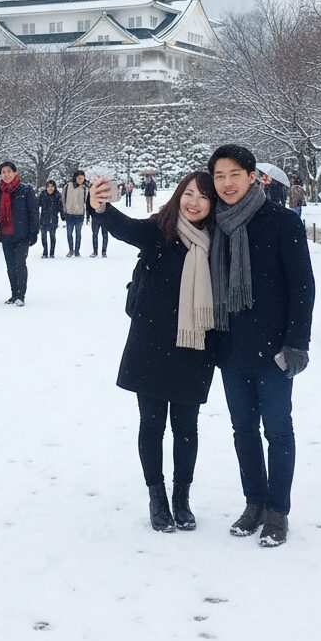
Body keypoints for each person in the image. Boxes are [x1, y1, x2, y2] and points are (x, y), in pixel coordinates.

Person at [90, 171, 219, 533]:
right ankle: (157, 496)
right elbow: (125, 228)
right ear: (179, 195)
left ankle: (182, 498)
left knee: (187, 428)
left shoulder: (218, 241)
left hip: (194, 346)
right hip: (151, 344)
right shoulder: (161, 230)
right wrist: (100, 207)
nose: (193, 202)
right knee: (151, 425)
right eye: (189, 193)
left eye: (203, 197)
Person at [208, 144, 315, 548]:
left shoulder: (281, 221)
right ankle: (253, 502)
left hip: (274, 351)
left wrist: (296, 344)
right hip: (230, 348)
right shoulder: (215, 223)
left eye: (234, 173)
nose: (227, 183)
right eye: (219, 176)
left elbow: (302, 285)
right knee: (243, 430)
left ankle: (277, 510)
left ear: (252, 176)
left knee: (279, 430)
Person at [0, 161, 39, 306]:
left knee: (20, 264)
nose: (6, 174)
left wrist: (34, 232)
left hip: (22, 234)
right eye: (3, 172)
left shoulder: (26, 190)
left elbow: (34, 212)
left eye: (8, 171)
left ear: (15, 173)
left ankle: (21, 295)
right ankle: (13, 294)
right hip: (6, 235)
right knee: (10, 266)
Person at [61, 170, 89, 256]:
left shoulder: (85, 188)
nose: (80, 180)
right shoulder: (68, 186)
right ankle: (70, 250)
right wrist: (64, 211)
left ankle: (77, 250)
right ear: (75, 178)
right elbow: (63, 199)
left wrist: (87, 215)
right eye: (78, 178)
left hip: (79, 214)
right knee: (69, 233)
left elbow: (87, 202)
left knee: (78, 233)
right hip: (69, 213)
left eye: (82, 178)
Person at [38, 180, 63, 258]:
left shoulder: (57, 195)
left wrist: (63, 216)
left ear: (54, 187)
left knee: (52, 236)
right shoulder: (42, 195)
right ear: (46, 188)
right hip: (43, 219)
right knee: (43, 237)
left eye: (52, 187)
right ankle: (45, 252)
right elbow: (37, 205)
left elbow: (61, 207)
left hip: (53, 219)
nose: (50, 188)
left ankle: (52, 252)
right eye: (48, 187)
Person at [86, 187, 109, 257]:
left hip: (104, 217)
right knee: (95, 234)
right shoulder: (91, 193)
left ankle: (104, 251)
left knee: (104, 234)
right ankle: (95, 251)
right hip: (95, 217)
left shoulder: (106, 193)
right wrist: (89, 215)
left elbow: (109, 205)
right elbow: (88, 205)